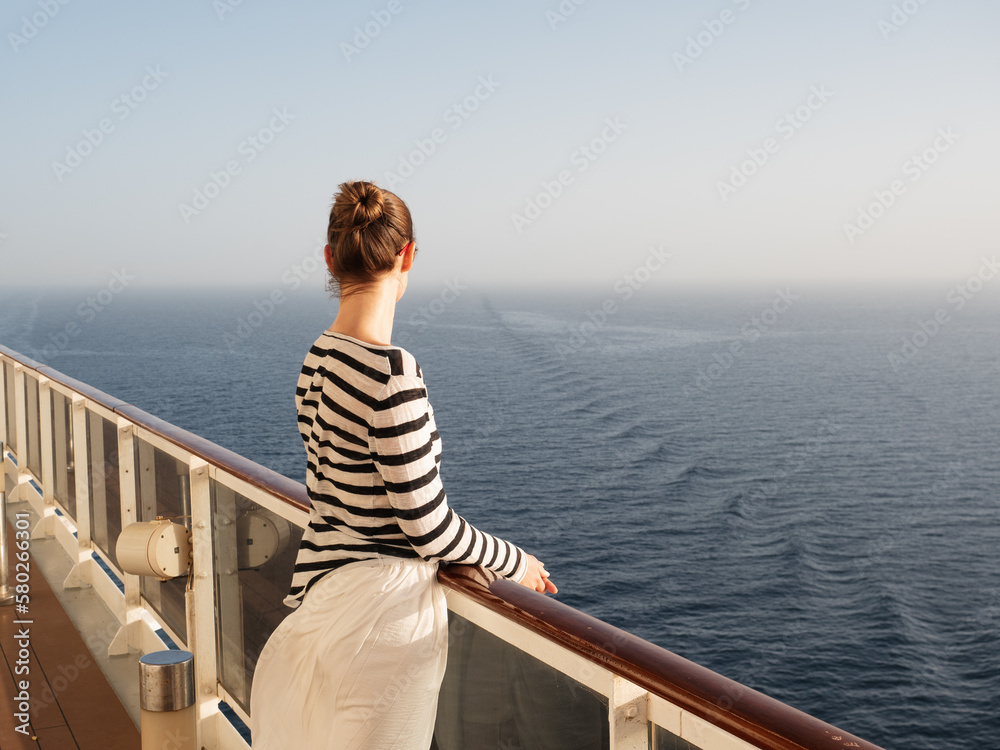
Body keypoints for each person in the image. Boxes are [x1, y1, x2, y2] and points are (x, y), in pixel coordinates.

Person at [249, 180, 556, 750]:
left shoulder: (317, 361)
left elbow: (334, 498)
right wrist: (517, 562)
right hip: (382, 622)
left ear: (329, 259)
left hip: (323, 602)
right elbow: (427, 526)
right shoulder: (390, 374)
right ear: (407, 254)